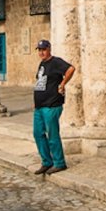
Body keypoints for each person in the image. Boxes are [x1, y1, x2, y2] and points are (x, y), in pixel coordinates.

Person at [32, 39, 74, 175]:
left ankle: (59, 162)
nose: (41, 52)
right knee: (38, 133)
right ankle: (46, 162)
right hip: (40, 106)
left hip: (51, 104)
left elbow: (70, 69)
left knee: (52, 134)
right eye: (39, 50)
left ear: (49, 49)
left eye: (44, 49)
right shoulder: (42, 64)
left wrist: (62, 84)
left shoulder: (56, 62)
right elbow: (41, 82)